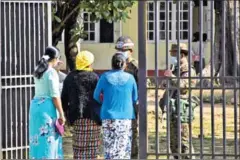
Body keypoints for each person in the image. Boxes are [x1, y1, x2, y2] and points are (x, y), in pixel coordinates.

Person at [94, 53, 138, 159]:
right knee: (124, 148)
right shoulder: (131, 78)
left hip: (108, 116)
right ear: (124, 65)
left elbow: (96, 96)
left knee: (109, 148)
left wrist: (104, 103)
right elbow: (135, 98)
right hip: (125, 117)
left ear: (112, 64)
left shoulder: (104, 77)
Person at [61, 51, 101, 159]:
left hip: (76, 117)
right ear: (89, 63)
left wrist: (64, 114)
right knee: (92, 148)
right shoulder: (95, 77)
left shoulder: (70, 77)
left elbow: (64, 98)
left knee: (78, 147)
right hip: (93, 118)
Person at [163, 43, 199, 159]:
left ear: (182, 54)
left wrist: (172, 77)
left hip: (182, 109)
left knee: (184, 142)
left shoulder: (188, 70)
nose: (173, 57)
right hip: (173, 108)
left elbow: (184, 86)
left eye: (174, 54)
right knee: (174, 143)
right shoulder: (175, 68)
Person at [29, 46, 65, 159]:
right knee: (49, 141)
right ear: (55, 59)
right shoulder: (51, 72)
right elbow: (55, 95)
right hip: (47, 108)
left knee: (37, 140)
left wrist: (55, 65)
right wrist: (62, 114)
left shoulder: (37, 70)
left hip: (35, 106)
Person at [115, 36, 139, 159]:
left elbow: (142, 85)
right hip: (119, 103)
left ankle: (133, 155)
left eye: (123, 50)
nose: (121, 52)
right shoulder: (117, 63)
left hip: (132, 103)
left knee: (132, 130)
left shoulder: (135, 66)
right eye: (118, 50)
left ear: (131, 51)